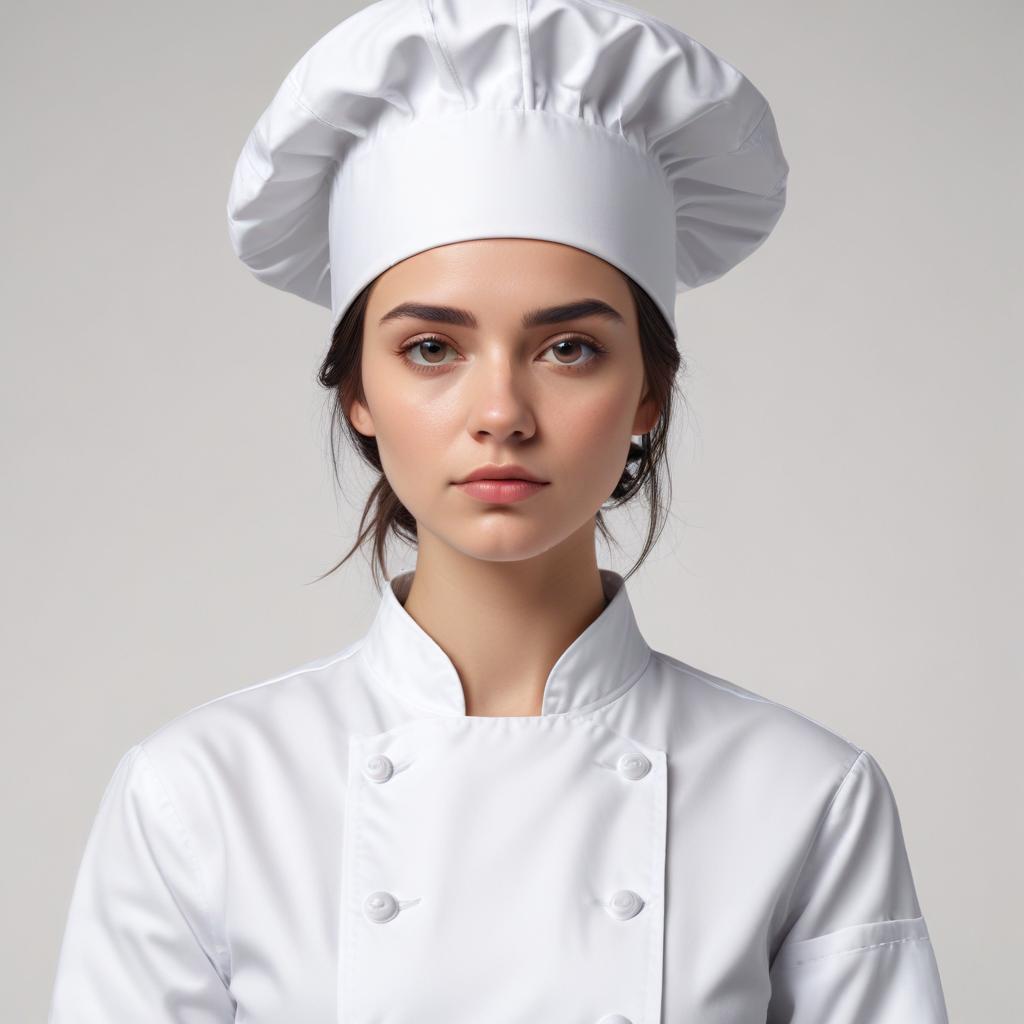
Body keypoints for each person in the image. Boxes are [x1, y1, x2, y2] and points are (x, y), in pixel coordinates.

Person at [47, 1, 951, 1021]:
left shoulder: (804, 796)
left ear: (647, 391)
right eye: (430, 347)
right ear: (357, 392)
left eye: (569, 347)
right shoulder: (199, 795)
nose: (501, 415)